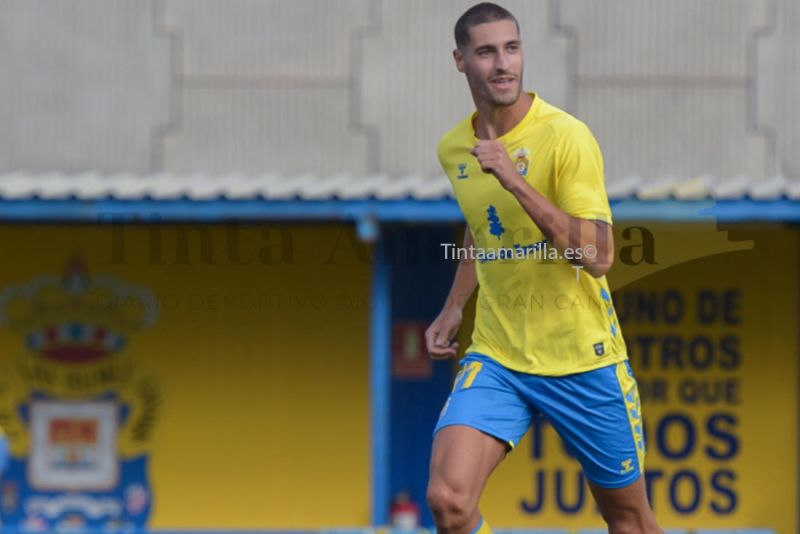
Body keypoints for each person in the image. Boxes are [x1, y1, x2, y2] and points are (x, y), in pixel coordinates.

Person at [424, 3, 662, 534]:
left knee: (630, 522)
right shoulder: (454, 149)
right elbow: (483, 226)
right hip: (500, 355)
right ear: (461, 61)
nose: (503, 63)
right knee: (448, 500)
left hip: (583, 359)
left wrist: (516, 180)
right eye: (486, 52)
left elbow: (599, 256)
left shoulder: (566, 137)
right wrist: (455, 304)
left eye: (512, 48)